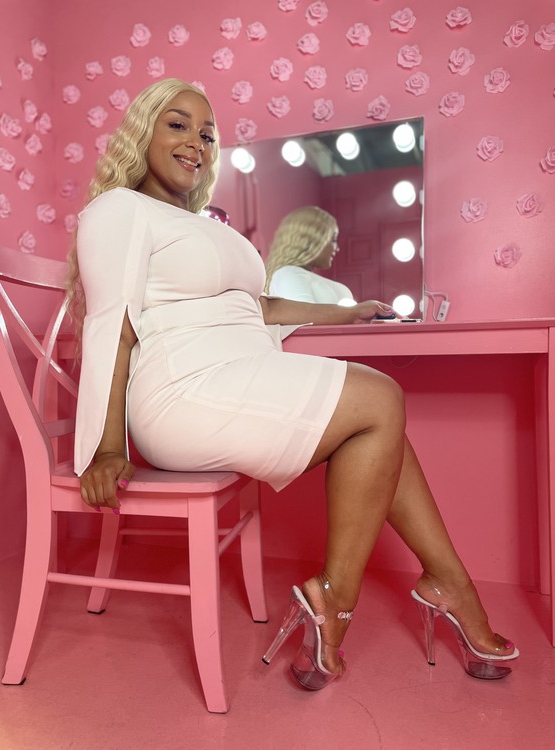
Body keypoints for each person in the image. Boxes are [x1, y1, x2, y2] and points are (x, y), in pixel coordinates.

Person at [68, 78, 518, 691]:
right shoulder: (120, 209)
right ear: (142, 131)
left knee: (379, 431)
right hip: (180, 393)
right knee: (380, 399)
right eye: (177, 125)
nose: (195, 142)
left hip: (234, 374)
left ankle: (442, 585)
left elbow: (261, 306)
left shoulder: (206, 227)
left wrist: (349, 311)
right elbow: (111, 322)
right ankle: (346, 599)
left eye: (207, 134)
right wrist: (105, 447)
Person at [265, 206, 355, 305]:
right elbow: (302, 313)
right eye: (333, 240)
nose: (337, 248)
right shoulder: (287, 274)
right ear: (312, 239)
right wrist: (357, 310)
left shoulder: (292, 275)